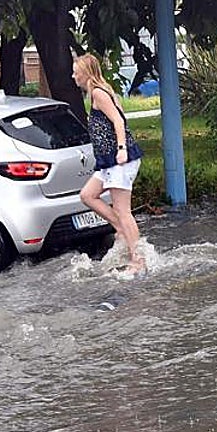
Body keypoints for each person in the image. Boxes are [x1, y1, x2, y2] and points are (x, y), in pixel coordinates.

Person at [72, 53, 144, 274]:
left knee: (124, 211)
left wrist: (121, 149)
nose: (72, 76)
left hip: (117, 159)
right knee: (87, 195)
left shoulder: (98, 93)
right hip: (107, 161)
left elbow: (119, 120)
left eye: (75, 71)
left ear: (85, 73)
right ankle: (121, 229)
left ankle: (138, 260)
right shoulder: (98, 92)